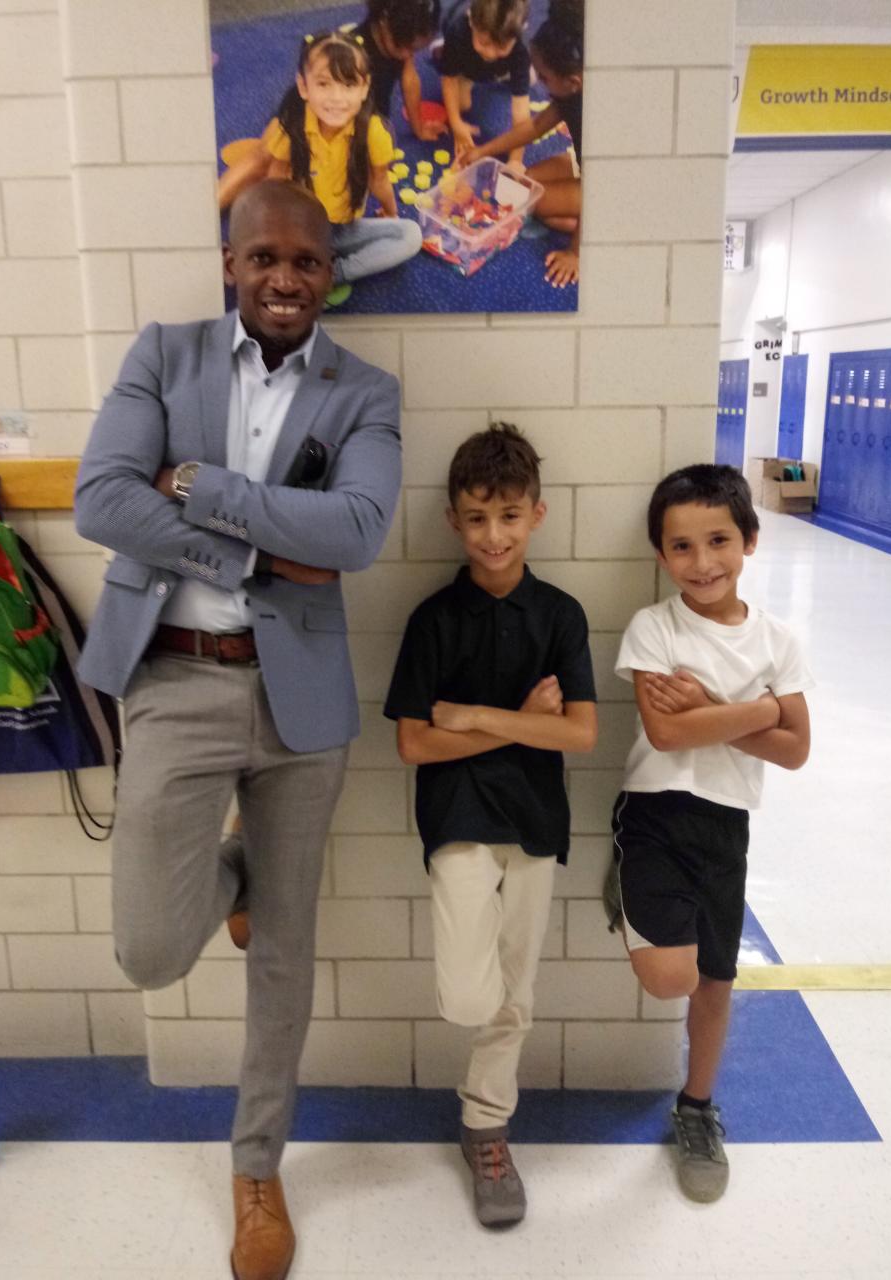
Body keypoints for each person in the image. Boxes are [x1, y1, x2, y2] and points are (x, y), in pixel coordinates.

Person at [74, 179, 401, 1280]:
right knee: (149, 946)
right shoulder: (163, 354)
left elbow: (356, 530)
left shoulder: (365, 390)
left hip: (301, 698)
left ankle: (256, 1167)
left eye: (305, 261)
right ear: (232, 260)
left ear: (329, 273)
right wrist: (255, 551)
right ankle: (239, 872)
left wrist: (204, 487)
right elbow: (101, 499)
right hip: (173, 679)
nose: (283, 277)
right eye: (263, 256)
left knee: (287, 958)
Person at [384, 423, 598, 1227]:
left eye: (509, 516)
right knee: (473, 1000)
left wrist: (474, 717)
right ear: (453, 521)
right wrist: (516, 720)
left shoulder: (562, 615)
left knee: (519, 997)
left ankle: (486, 1127)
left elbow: (579, 733)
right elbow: (413, 743)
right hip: (459, 820)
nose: (494, 534)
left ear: (536, 515)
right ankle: (482, 1104)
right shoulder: (434, 619)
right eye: (478, 518)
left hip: (537, 821)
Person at [605, 465, 812, 1204]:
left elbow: (797, 751)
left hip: (728, 824)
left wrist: (714, 706)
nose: (702, 563)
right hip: (656, 812)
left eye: (718, 540)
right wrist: (756, 711)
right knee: (671, 978)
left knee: (716, 981)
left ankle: (696, 1110)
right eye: (682, 547)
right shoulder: (654, 627)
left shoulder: (778, 639)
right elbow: (665, 733)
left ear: (749, 541)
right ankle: (625, 894)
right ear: (662, 557)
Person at [219, 30, 422, 307]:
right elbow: (274, 184)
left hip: (341, 229)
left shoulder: (374, 132)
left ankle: (331, 274)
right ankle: (299, 271)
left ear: (364, 89)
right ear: (304, 87)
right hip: (296, 231)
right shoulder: (290, 128)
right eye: (324, 84)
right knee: (246, 252)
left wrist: (392, 213)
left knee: (410, 235)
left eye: (348, 85)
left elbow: (380, 180)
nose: (336, 98)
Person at [456, 0, 583, 287]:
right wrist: (482, 151)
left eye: (546, 79)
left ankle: (600, 230)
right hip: (582, 163)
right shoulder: (571, 92)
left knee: (533, 204)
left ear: (573, 81)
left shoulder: (599, 120)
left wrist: (575, 253)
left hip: (614, 186)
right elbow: (534, 126)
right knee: (519, 185)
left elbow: (604, 189)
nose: (540, 85)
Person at [437, 0, 531, 164]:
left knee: (520, 75)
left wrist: (516, 159)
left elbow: (521, 111)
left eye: (501, 47)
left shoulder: (519, 50)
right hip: (466, 61)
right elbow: (449, 80)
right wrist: (456, 123)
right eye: (484, 43)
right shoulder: (458, 30)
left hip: (501, 67)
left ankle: (507, 73)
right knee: (462, 104)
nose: (491, 53)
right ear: (471, 22)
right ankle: (443, 52)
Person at [354, 0, 445, 140]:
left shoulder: (401, 36)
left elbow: (409, 80)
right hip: (348, 116)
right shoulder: (354, 54)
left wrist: (419, 128)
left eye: (415, 50)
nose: (407, 55)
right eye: (402, 47)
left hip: (377, 111)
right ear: (383, 23)